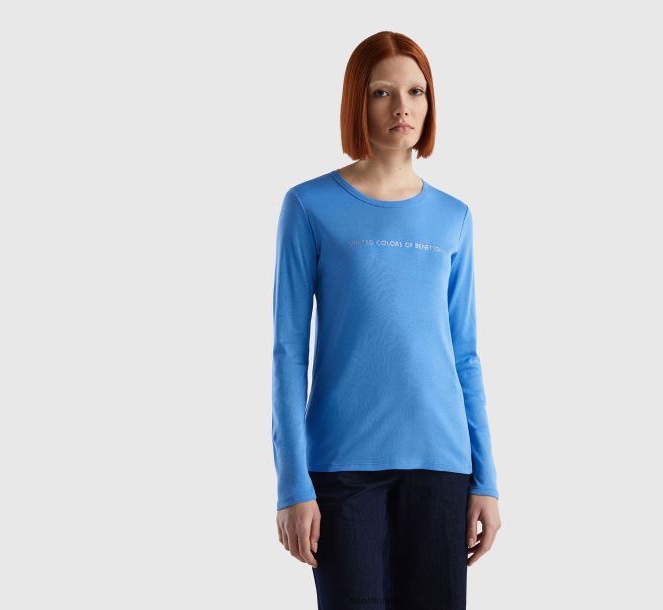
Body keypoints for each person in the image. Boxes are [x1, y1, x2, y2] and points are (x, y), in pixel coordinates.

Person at [271, 31, 502, 609]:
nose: (402, 107)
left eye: (416, 92)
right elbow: (288, 354)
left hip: (442, 466)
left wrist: (487, 479)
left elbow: (465, 354)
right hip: (342, 469)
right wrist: (292, 482)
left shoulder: (453, 217)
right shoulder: (309, 206)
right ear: (358, 100)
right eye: (382, 92)